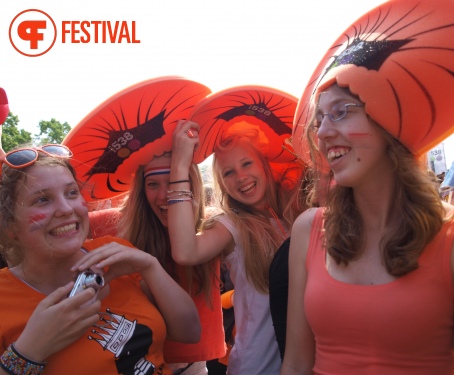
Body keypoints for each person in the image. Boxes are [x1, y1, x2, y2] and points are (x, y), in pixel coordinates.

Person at [281, 0, 454, 374]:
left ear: (387, 117)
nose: (323, 132)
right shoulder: (309, 229)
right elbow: (297, 363)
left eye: (341, 112)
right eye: (319, 119)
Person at [0, 144, 200, 375]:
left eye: (72, 193)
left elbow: (190, 332)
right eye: (43, 200)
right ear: (11, 226)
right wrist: (28, 351)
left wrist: (150, 266)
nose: (66, 209)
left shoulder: (114, 252)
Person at [168, 119, 305, 375]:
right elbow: (186, 252)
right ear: (222, 184)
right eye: (228, 173)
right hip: (259, 367)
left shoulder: (297, 212)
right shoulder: (231, 226)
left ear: (263, 164)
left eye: (246, 163)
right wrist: (180, 165)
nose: (241, 177)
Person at [116, 152, 226, 375]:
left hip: (195, 367)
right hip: (140, 364)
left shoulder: (214, 228)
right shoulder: (122, 235)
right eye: (153, 184)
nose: (165, 195)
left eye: (174, 181)